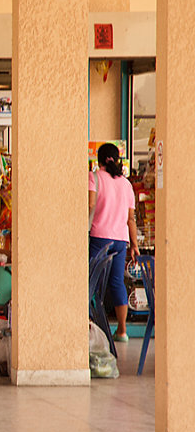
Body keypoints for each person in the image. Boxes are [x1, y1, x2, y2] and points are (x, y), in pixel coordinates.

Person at [89, 143, 138, 343]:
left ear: (99, 160)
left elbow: (90, 203)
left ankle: (92, 324)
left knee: (92, 281)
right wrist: (134, 244)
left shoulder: (94, 178)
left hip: (100, 237)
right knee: (117, 282)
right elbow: (131, 219)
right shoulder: (126, 184)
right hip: (121, 240)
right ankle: (122, 330)